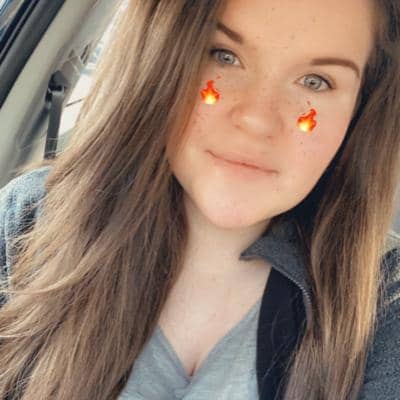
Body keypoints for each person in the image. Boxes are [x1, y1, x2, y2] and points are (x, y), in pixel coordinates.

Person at [0, 0, 399, 399]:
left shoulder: (382, 306)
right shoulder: (32, 221)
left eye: (315, 81)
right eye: (223, 56)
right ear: (159, 59)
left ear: (360, 110)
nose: (257, 120)